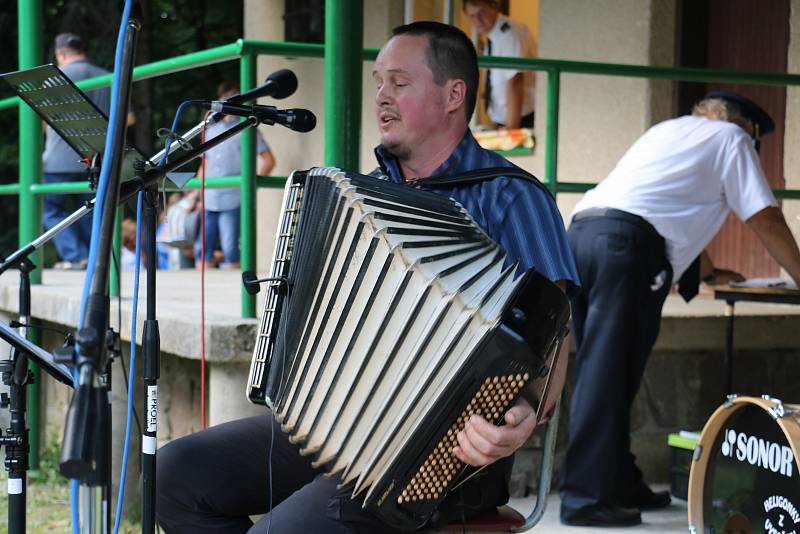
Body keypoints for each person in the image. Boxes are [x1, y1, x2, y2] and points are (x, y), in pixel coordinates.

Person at [157, 21, 578, 534]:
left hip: (447, 455)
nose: (382, 96)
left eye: (399, 83)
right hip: (334, 426)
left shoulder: (512, 197)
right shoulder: (368, 196)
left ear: (454, 94)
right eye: (378, 82)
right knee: (172, 475)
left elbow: (554, 336)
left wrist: (527, 412)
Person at [559, 92, 800, 527]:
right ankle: (584, 498)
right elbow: (765, 218)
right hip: (625, 249)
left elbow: (662, 206)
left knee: (610, 372)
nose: (755, 149)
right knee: (608, 375)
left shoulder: (669, 132)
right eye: (757, 139)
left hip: (582, 235)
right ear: (742, 125)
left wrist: (709, 272)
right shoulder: (731, 138)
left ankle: (616, 481)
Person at [42, 32, 110, 270]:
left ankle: (75, 255)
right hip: (95, 158)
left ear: (60, 54)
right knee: (91, 210)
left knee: (51, 210)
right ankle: (92, 259)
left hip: (58, 160)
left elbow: (45, 121)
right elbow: (128, 118)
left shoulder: (54, 79)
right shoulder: (106, 77)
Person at [195, 82, 276, 269]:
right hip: (209, 196)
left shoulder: (248, 127)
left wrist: (250, 188)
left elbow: (269, 160)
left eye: (234, 95)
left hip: (232, 196)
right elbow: (205, 164)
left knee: (231, 248)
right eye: (226, 96)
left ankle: (235, 295)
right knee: (201, 248)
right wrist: (196, 194)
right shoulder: (210, 129)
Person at [463, 0, 536, 128]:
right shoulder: (493, 35)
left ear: (495, 6)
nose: (478, 21)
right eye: (472, 16)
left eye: (482, 13)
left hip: (520, 122)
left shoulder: (508, 34)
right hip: (506, 122)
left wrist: (511, 130)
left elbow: (515, 80)